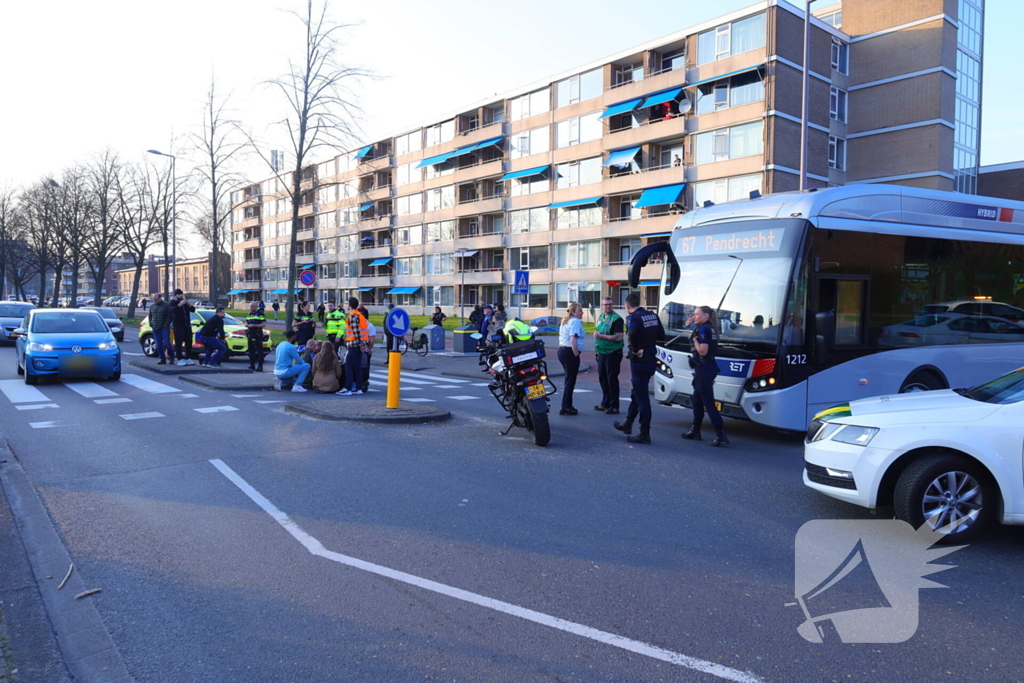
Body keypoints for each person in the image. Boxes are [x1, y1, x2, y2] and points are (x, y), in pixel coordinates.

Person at [614, 293, 665, 445]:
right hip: (651, 359)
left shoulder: (633, 318)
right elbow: (661, 335)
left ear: (627, 306)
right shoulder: (652, 315)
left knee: (642, 397)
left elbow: (633, 333)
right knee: (637, 391)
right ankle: (628, 424)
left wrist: (636, 349)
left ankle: (644, 434)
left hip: (640, 361)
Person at [682, 305, 729, 447]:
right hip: (705, 368)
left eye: (697, 314)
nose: (695, 316)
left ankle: (721, 435)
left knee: (708, 403)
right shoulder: (710, 328)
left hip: (704, 368)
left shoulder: (703, 329)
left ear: (706, 316)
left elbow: (703, 351)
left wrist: (695, 340)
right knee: (696, 400)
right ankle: (695, 431)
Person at [593, 297, 625, 415]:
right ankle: (605, 403)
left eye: (610, 304)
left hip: (613, 353)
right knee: (603, 378)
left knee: (612, 379)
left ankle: (614, 405)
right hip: (602, 352)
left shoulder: (617, 319)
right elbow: (598, 332)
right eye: (605, 305)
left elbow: (619, 337)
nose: (608, 307)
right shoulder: (601, 317)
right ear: (601, 306)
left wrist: (601, 336)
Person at [557, 303, 585, 416]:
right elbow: (573, 339)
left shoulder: (566, 321)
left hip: (562, 351)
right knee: (570, 380)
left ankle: (567, 405)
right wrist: (576, 354)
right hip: (569, 352)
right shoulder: (575, 321)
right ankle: (566, 407)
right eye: (580, 310)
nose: (582, 312)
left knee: (569, 379)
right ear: (573, 312)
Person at [338, 298, 369, 395]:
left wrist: (361, 345)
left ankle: (348, 388)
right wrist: (364, 344)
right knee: (357, 366)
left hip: (354, 344)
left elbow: (356, 332)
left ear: (349, 305)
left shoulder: (353, 316)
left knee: (348, 365)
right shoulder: (361, 316)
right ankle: (358, 388)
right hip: (359, 344)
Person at [170, 289, 196, 366]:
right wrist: (180, 304)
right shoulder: (173, 303)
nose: (181, 296)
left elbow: (193, 310)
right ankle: (180, 358)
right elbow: (173, 310)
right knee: (179, 342)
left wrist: (189, 304)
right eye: (179, 295)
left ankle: (188, 357)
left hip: (187, 325)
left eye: (182, 294)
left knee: (189, 341)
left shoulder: (185, 304)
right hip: (178, 325)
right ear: (176, 295)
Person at [148, 293, 174, 365]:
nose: (155, 301)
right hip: (155, 327)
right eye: (154, 299)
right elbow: (150, 315)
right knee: (158, 344)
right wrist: (151, 323)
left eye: (156, 299)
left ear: (160, 298)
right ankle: (162, 358)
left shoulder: (166, 305)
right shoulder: (152, 306)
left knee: (167, 343)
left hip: (164, 327)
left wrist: (166, 324)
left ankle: (171, 357)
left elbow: (170, 316)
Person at [245, 301, 266, 371]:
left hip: (258, 333)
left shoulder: (260, 314)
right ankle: (252, 365)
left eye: (252, 307)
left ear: (256, 306)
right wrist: (246, 324)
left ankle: (260, 366)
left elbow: (263, 324)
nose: (251, 308)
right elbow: (247, 321)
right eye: (250, 307)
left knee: (259, 350)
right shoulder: (249, 313)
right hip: (250, 333)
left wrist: (254, 325)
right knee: (251, 350)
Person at [362, 319, 376, 392]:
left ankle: (364, 382)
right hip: (360, 349)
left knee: (365, 366)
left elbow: (372, 339)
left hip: (366, 350)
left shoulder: (370, 326)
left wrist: (369, 349)